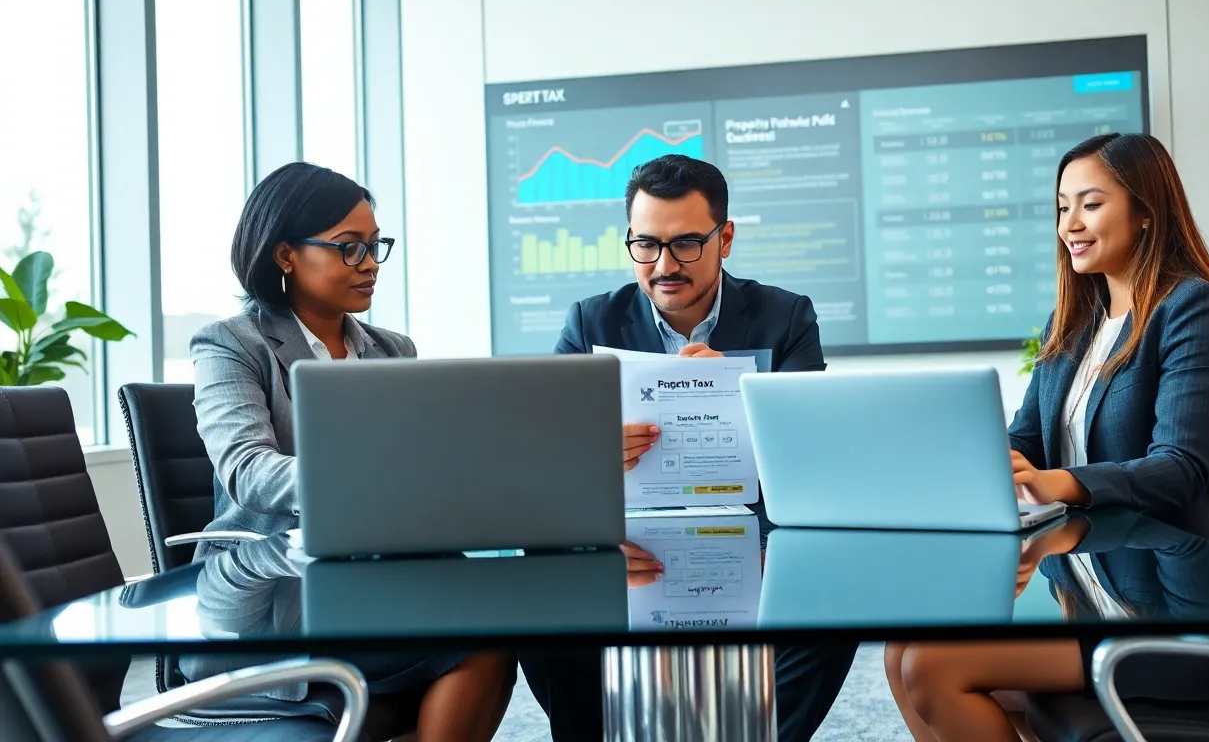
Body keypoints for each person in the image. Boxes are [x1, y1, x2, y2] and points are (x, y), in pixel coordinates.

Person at [885, 132, 1209, 742]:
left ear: (1145, 212)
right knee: (903, 651)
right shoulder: (1074, 319)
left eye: (1090, 203)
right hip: (1092, 576)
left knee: (934, 665)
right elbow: (1027, 435)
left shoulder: (1195, 308)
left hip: (1180, 617)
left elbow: (1180, 467)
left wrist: (1055, 482)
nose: (1071, 223)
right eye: (1062, 207)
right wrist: (984, 462)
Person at [523, 154, 857, 742]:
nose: (664, 265)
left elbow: (812, 451)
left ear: (725, 238)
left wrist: (728, 391)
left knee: (836, 600)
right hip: (630, 537)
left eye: (686, 245)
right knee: (546, 590)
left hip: (750, 536)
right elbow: (544, 452)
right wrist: (587, 452)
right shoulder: (591, 321)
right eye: (645, 245)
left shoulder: (785, 317)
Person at [190, 162, 514, 741]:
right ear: (285, 254)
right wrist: (372, 483)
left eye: (374, 247)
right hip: (269, 587)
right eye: (348, 249)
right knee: (478, 637)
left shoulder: (392, 350)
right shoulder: (232, 343)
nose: (369, 265)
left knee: (495, 625)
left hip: (377, 576)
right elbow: (247, 470)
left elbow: (417, 465)